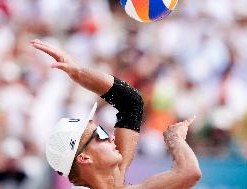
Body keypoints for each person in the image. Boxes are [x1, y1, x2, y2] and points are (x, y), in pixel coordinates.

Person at [31, 39, 202, 189]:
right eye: (100, 134)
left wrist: (79, 72)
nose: (110, 136)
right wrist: (174, 139)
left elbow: (131, 103)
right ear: (84, 158)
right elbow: (189, 172)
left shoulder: (114, 180)